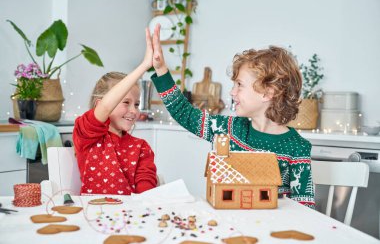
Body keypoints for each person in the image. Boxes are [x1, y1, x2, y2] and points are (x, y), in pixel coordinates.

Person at [149, 25, 315, 208]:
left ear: (268, 93)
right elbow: (183, 112)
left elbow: (304, 209)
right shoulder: (227, 129)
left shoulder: (298, 148)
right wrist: (161, 69)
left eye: (239, 85)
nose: (232, 92)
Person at [73, 28, 157, 196]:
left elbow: (146, 189)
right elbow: (105, 108)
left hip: (131, 217)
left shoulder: (141, 147)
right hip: (94, 214)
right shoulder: (86, 135)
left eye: (137, 104)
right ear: (100, 104)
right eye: (126, 102)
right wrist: (144, 67)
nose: (134, 111)